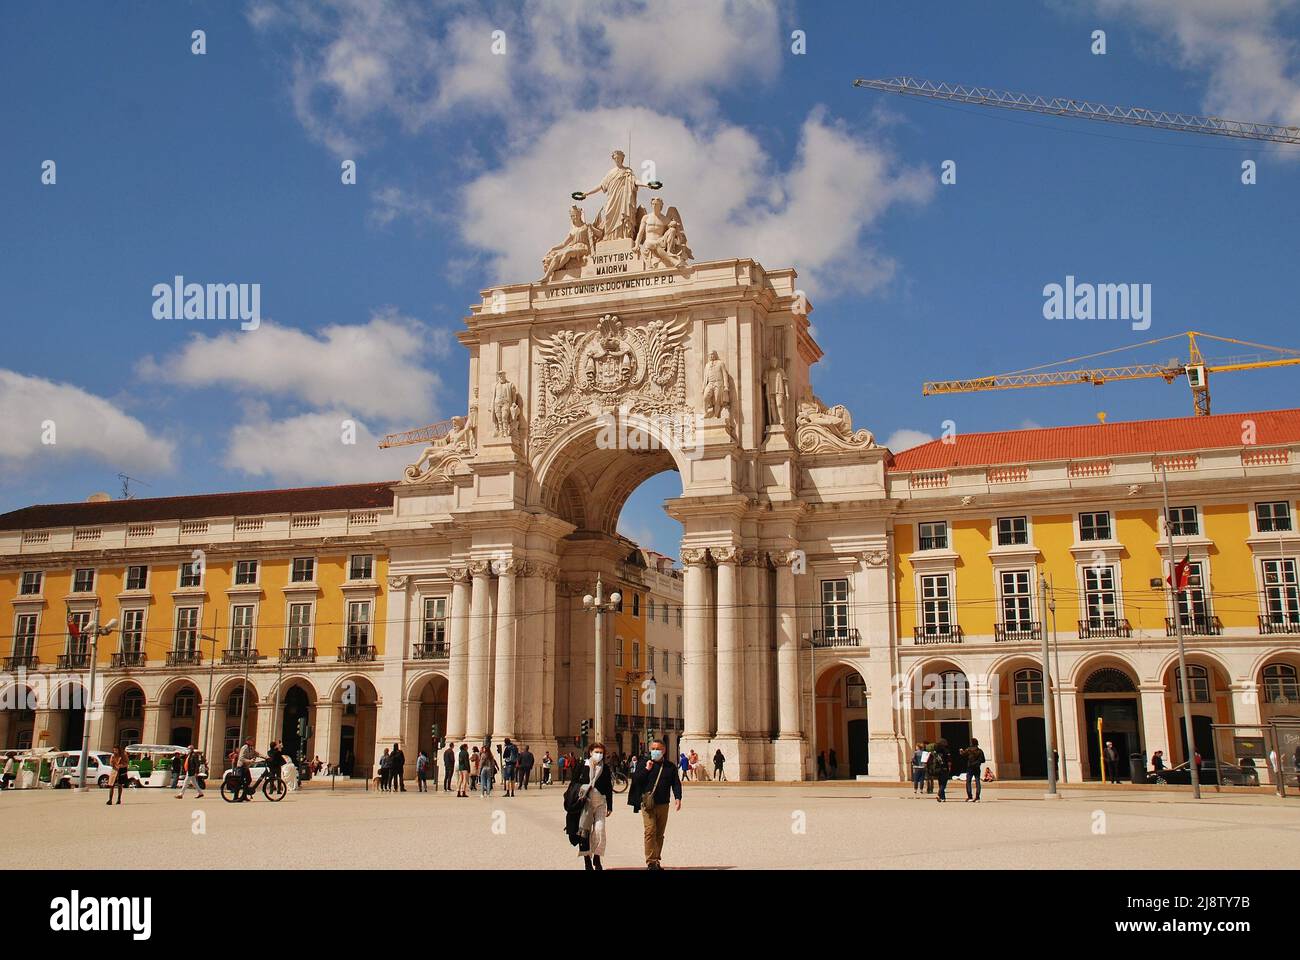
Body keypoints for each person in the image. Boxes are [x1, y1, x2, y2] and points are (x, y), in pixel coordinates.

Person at [629, 739, 683, 870]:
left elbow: (676, 783)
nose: (655, 751)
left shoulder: (670, 767)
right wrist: (647, 769)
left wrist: (678, 797)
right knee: (650, 831)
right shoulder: (644, 764)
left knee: (659, 834)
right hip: (648, 804)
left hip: (663, 804)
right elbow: (636, 780)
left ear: (664, 750)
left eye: (658, 749)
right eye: (653, 749)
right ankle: (651, 862)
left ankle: (657, 859)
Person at [572, 744, 613, 871]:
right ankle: (587, 860)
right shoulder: (581, 765)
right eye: (596, 752)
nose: (599, 754)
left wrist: (610, 806)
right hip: (585, 804)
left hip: (600, 803)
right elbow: (573, 783)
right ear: (590, 752)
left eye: (601, 752)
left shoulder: (605, 768)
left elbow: (608, 788)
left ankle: (597, 857)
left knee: (600, 830)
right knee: (585, 832)